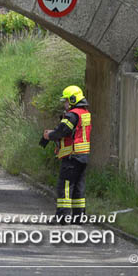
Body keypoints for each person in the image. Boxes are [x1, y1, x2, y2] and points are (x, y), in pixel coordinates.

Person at [42, 85, 91, 225]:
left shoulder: (72, 115)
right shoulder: (84, 113)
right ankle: (79, 217)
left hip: (71, 157)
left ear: (73, 99)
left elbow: (62, 131)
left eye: (66, 100)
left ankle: (62, 217)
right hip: (82, 156)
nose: (65, 104)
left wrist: (49, 135)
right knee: (78, 188)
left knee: (65, 187)